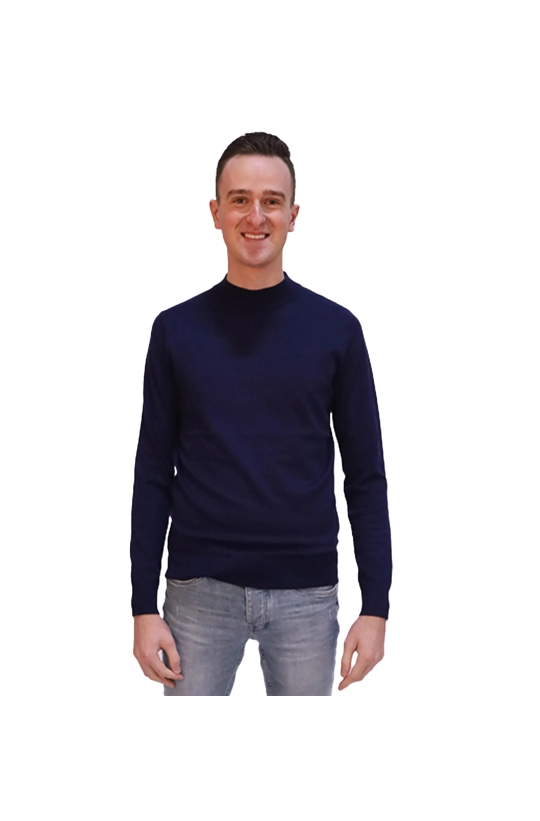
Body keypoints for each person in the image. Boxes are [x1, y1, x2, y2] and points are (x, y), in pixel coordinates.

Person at [130, 132, 392, 696]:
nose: (256, 216)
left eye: (271, 201)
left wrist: (376, 606)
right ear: (215, 213)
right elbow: (152, 472)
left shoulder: (337, 331)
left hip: (306, 596)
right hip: (198, 593)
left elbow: (366, 475)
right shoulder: (175, 331)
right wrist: (141, 605)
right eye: (240, 199)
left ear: (293, 215)